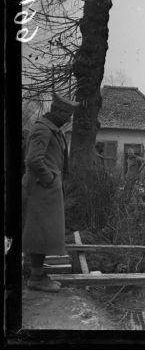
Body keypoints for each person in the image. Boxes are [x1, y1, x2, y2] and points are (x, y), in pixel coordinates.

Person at [22, 92, 80, 292]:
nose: (69, 119)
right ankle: (36, 278)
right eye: (67, 114)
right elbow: (33, 160)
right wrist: (50, 179)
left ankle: (38, 272)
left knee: (45, 233)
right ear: (57, 111)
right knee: (40, 232)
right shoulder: (43, 130)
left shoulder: (52, 129)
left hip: (46, 190)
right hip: (41, 189)